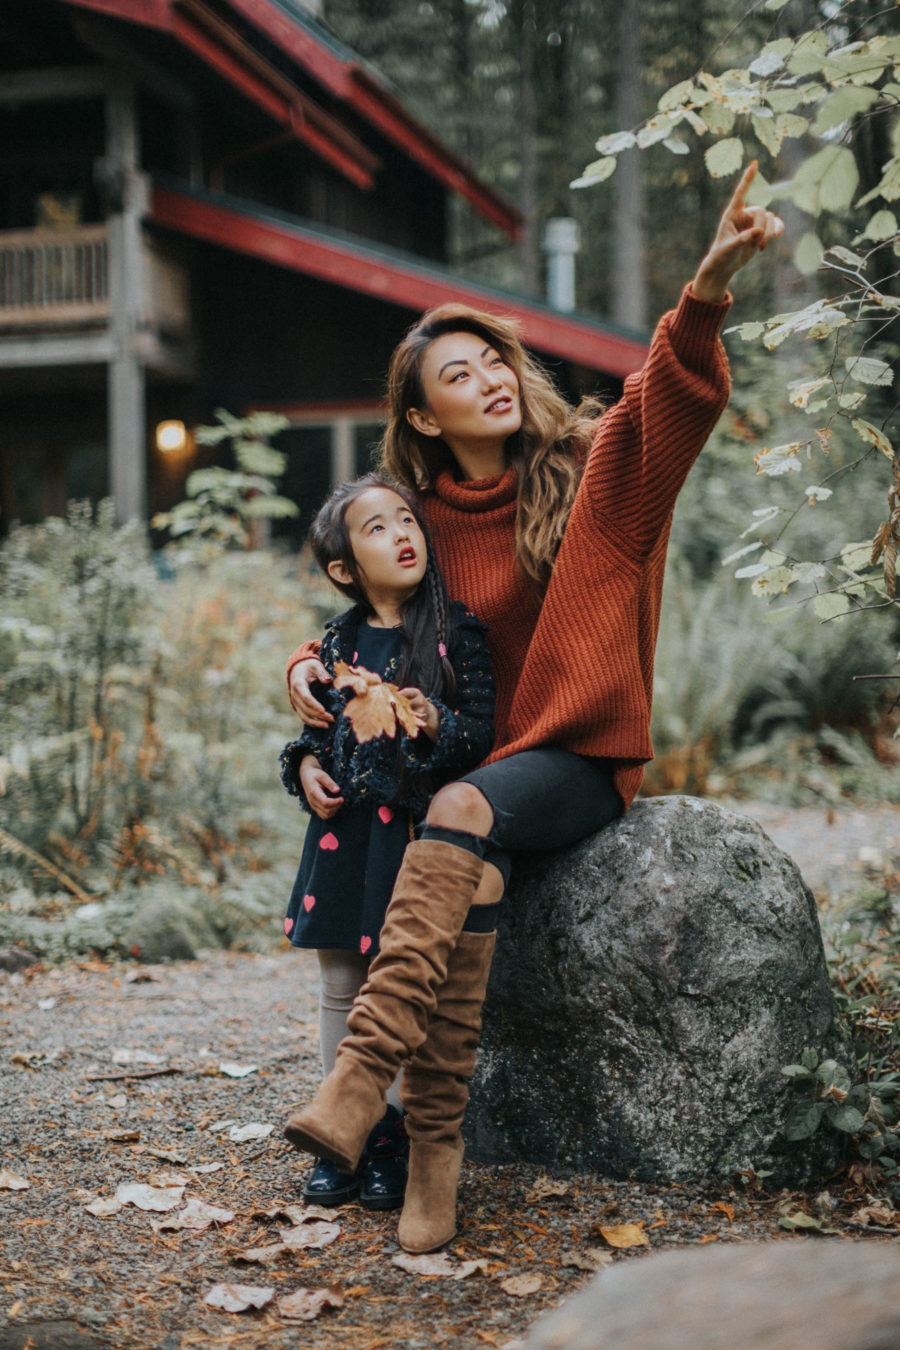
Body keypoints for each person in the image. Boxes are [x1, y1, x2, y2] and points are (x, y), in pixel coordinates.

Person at [283, 164, 785, 1253]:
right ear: (423, 413)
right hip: (480, 786)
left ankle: (360, 1087)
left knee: (460, 812)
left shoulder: (592, 467)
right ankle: (436, 1165)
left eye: (496, 358)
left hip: (575, 761)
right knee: (472, 864)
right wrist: (307, 690)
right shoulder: (412, 524)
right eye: (460, 375)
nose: (494, 379)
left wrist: (704, 288)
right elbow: (355, 626)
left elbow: (674, 403)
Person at [279, 474, 495, 1212]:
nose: (402, 534)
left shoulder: (454, 632)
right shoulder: (333, 643)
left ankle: (388, 1135)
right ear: (344, 569)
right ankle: (338, 1131)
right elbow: (308, 740)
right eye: (377, 528)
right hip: (341, 839)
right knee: (340, 983)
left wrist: (433, 719)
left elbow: (480, 734)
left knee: (393, 988)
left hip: (407, 838)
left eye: (407, 519)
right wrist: (305, 767)